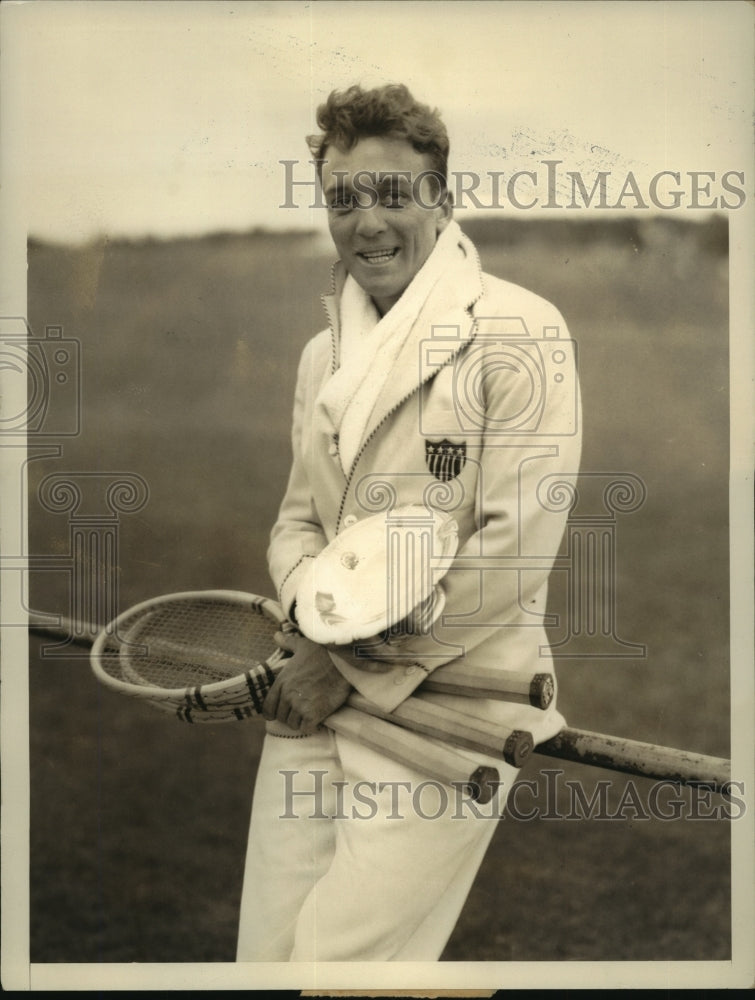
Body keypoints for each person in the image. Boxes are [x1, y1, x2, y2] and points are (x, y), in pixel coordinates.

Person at [236, 83, 581, 962]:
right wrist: (318, 623)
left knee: (336, 972)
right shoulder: (325, 355)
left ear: (443, 199)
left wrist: (343, 660)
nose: (367, 223)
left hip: (452, 708)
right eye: (344, 200)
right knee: (261, 964)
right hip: (313, 696)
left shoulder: (520, 332)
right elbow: (294, 528)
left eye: (393, 195)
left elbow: (511, 557)